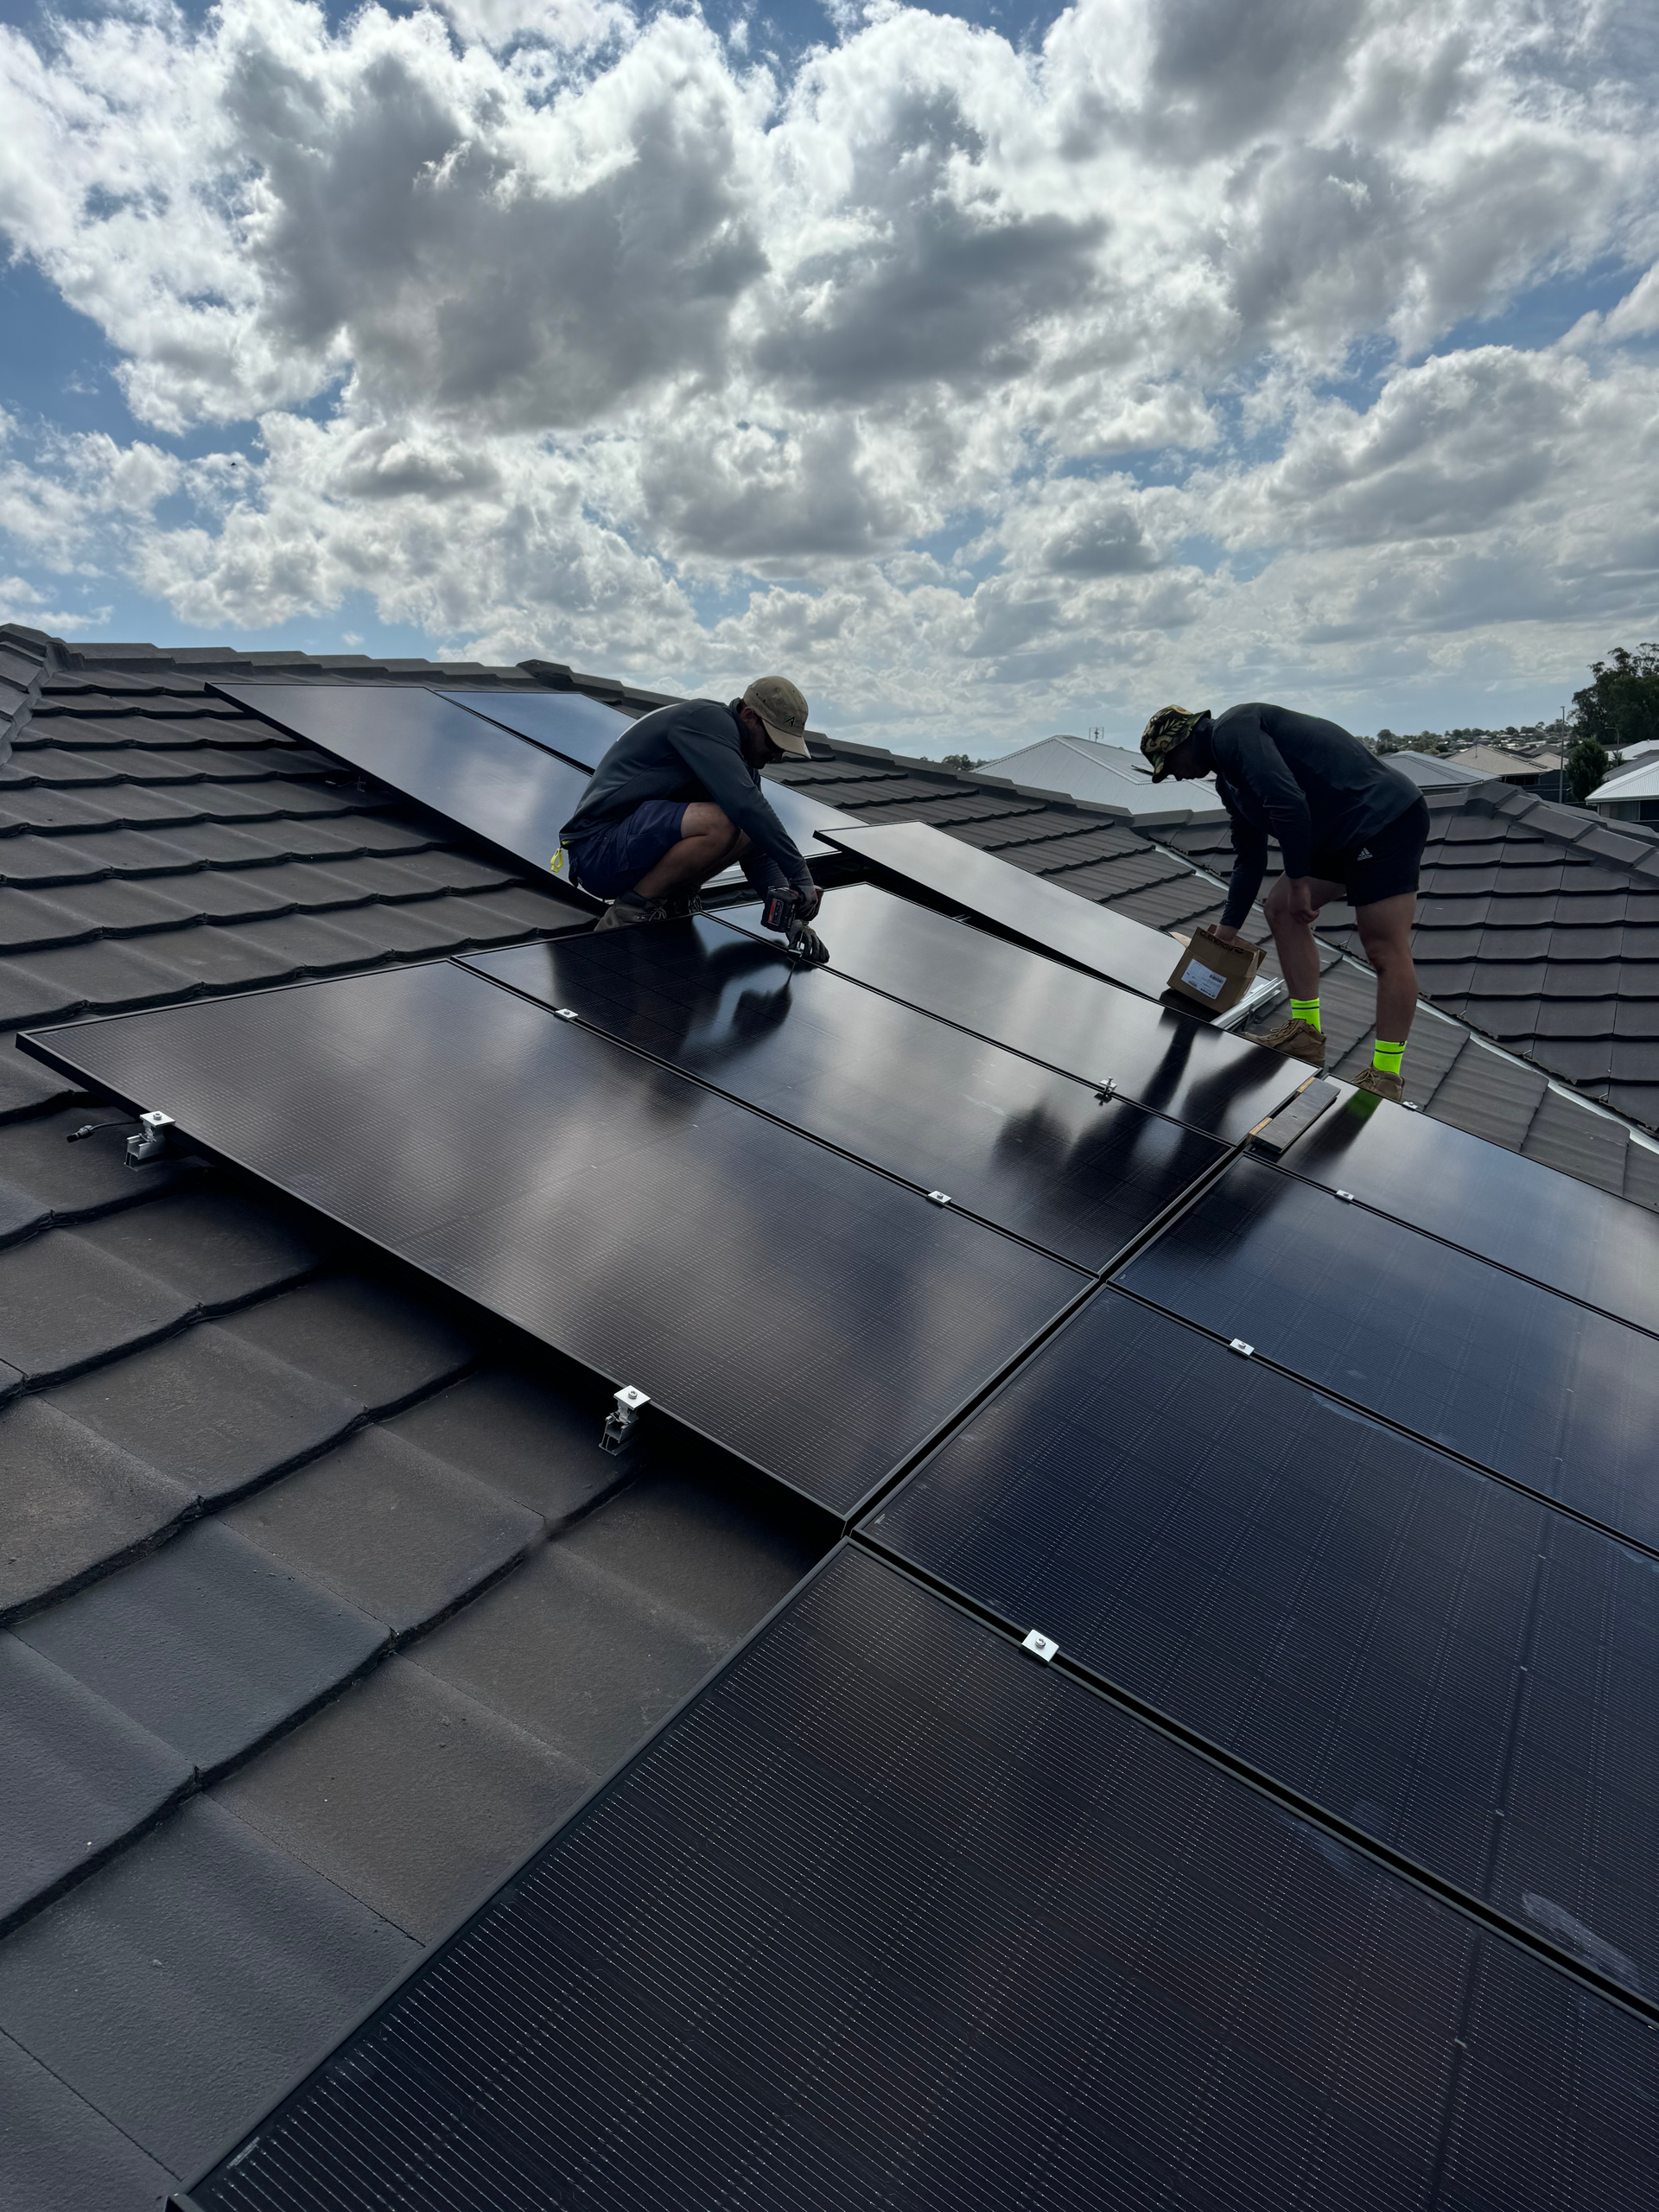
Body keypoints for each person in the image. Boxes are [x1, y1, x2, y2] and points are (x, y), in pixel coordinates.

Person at [1140, 702, 1428, 1103]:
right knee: (1280, 910)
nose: (1171, 774)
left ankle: (1385, 1075)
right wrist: (1225, 934)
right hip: (1335, 832)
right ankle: (1305, 1035)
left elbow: (1287, 801)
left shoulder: (1234, 729)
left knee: (1381, 945)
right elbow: (1250, 857)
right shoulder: (1229, 782)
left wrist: (1297, 882)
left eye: (1168, 763)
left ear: (1184, 739)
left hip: (1384, 818)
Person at [558, 676, 825, 953]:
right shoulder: (707, 720)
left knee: (747, 828)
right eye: (774, 743)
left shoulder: (740, 764)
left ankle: (674, 900)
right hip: (597, 854)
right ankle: (627, 914)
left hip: (630, 854)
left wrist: (793, 920)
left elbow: (758, 848)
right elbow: (746, 806)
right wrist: (800, 874)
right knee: (724, 822)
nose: (778, 756)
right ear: (748, 716)